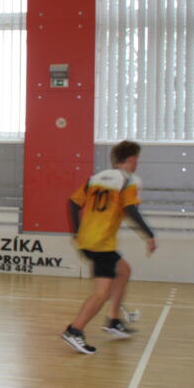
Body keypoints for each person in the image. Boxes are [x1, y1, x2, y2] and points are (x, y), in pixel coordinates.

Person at [61, 140, 158, 355]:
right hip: (101, 243)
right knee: (102, 292)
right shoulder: (128, 180)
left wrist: (77, 231)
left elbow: (73, 203)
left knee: (123, 271)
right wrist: (149, 235)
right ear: (131, 159)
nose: (137, 163)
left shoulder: (96, 178)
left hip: (90, 240)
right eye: (137, 159)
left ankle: (113, 320)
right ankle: (74, 330)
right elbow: (131, 210)